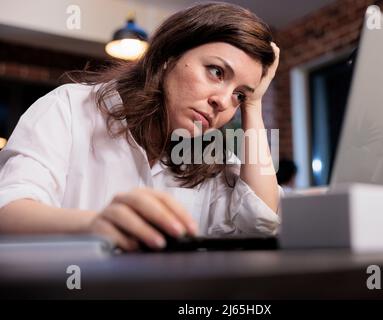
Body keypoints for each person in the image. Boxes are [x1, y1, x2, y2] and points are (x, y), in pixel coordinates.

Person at [0, 3, 282, 251]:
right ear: (168, 57)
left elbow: (260, 225)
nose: (222, 101)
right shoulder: (69, 109)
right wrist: (94, 226)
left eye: (239, 95)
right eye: (216, 72)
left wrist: (253, 105)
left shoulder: (211, 153)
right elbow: (7, 210)